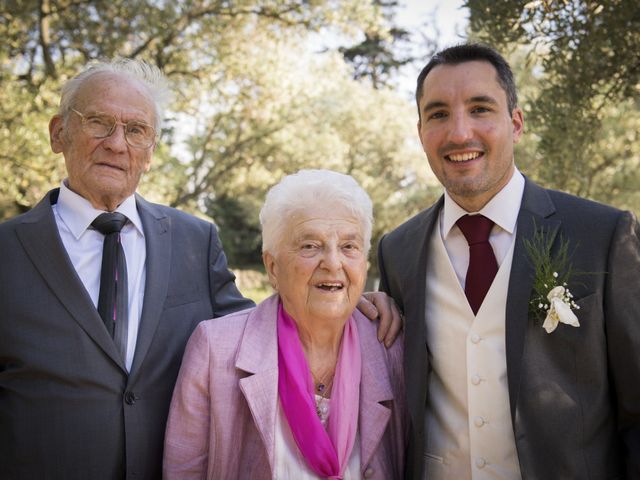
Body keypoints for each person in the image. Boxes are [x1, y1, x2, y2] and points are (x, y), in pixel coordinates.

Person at [0, 60, 400, 479]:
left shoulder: (195, 241)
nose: (117, 144)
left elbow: (259, 335)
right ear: (58, 133)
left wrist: (348, 302)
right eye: (98, 123)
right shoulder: (8, 252)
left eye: (136, 130)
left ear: (151, 152)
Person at [377, 43, 640, 479]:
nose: (460, 133)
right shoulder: (397, 249)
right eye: (439, 114)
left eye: (480, 108)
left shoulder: (602, 234)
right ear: (421, 131)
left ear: (515, 123)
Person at [164, 169, 407, 479]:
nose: (333, 263)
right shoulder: (213, 350)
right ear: (273, 267)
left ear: (365, 263)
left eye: (349, 247)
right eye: (310, 246)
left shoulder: (391, 347)